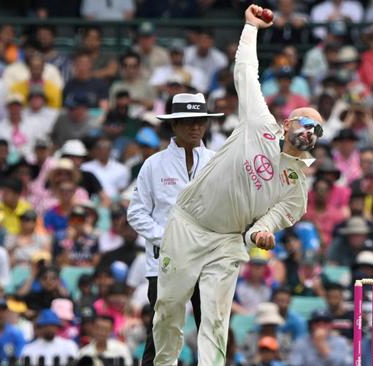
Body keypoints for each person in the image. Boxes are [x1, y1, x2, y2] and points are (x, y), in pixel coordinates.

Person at [151, 6, 324, 365]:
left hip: (227, 242)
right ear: (288, 122)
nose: (310, 132)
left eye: (317, 130)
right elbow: (246, 72)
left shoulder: (296, 189)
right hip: (188, 224)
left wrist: (260, 234)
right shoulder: (259, 123)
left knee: (215, 319)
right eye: (306, 123)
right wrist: (250, 28)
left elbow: (268, 222)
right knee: (168, 308)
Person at [127, 91, 217, 366]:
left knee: (211, 331)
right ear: (174, 125)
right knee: (162, 332)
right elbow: (136, 212)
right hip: (165, 262)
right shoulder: (154, 165)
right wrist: (167, 238)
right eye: (189, 121)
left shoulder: (217, 161)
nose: (196, 127)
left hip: (207, 260)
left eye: (200, 121)